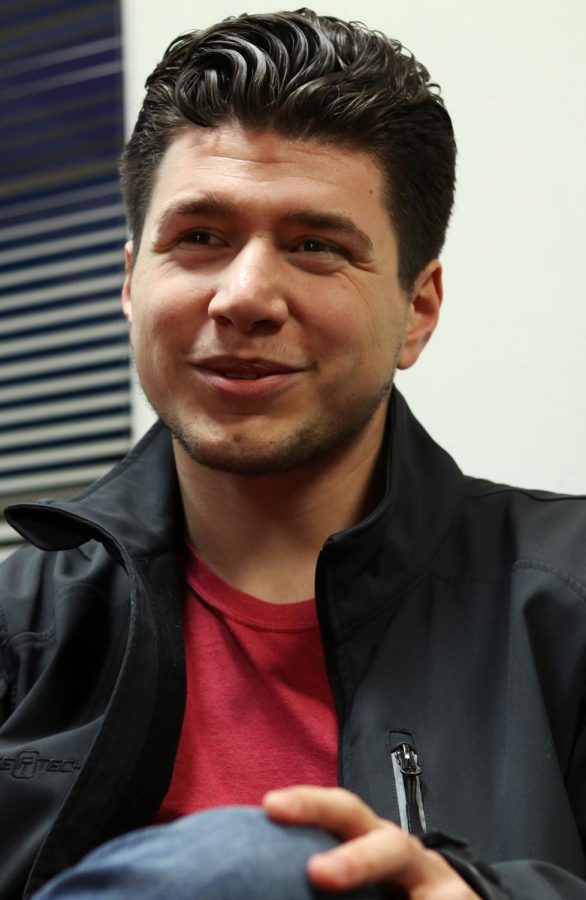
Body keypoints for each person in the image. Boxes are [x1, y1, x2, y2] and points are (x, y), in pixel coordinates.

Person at [0, 7, 585, 900]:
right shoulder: (17, 631)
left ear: (417, 311)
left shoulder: (569, 601)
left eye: (316, 246)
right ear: (129, 282)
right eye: (199, 238)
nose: (244, 297)